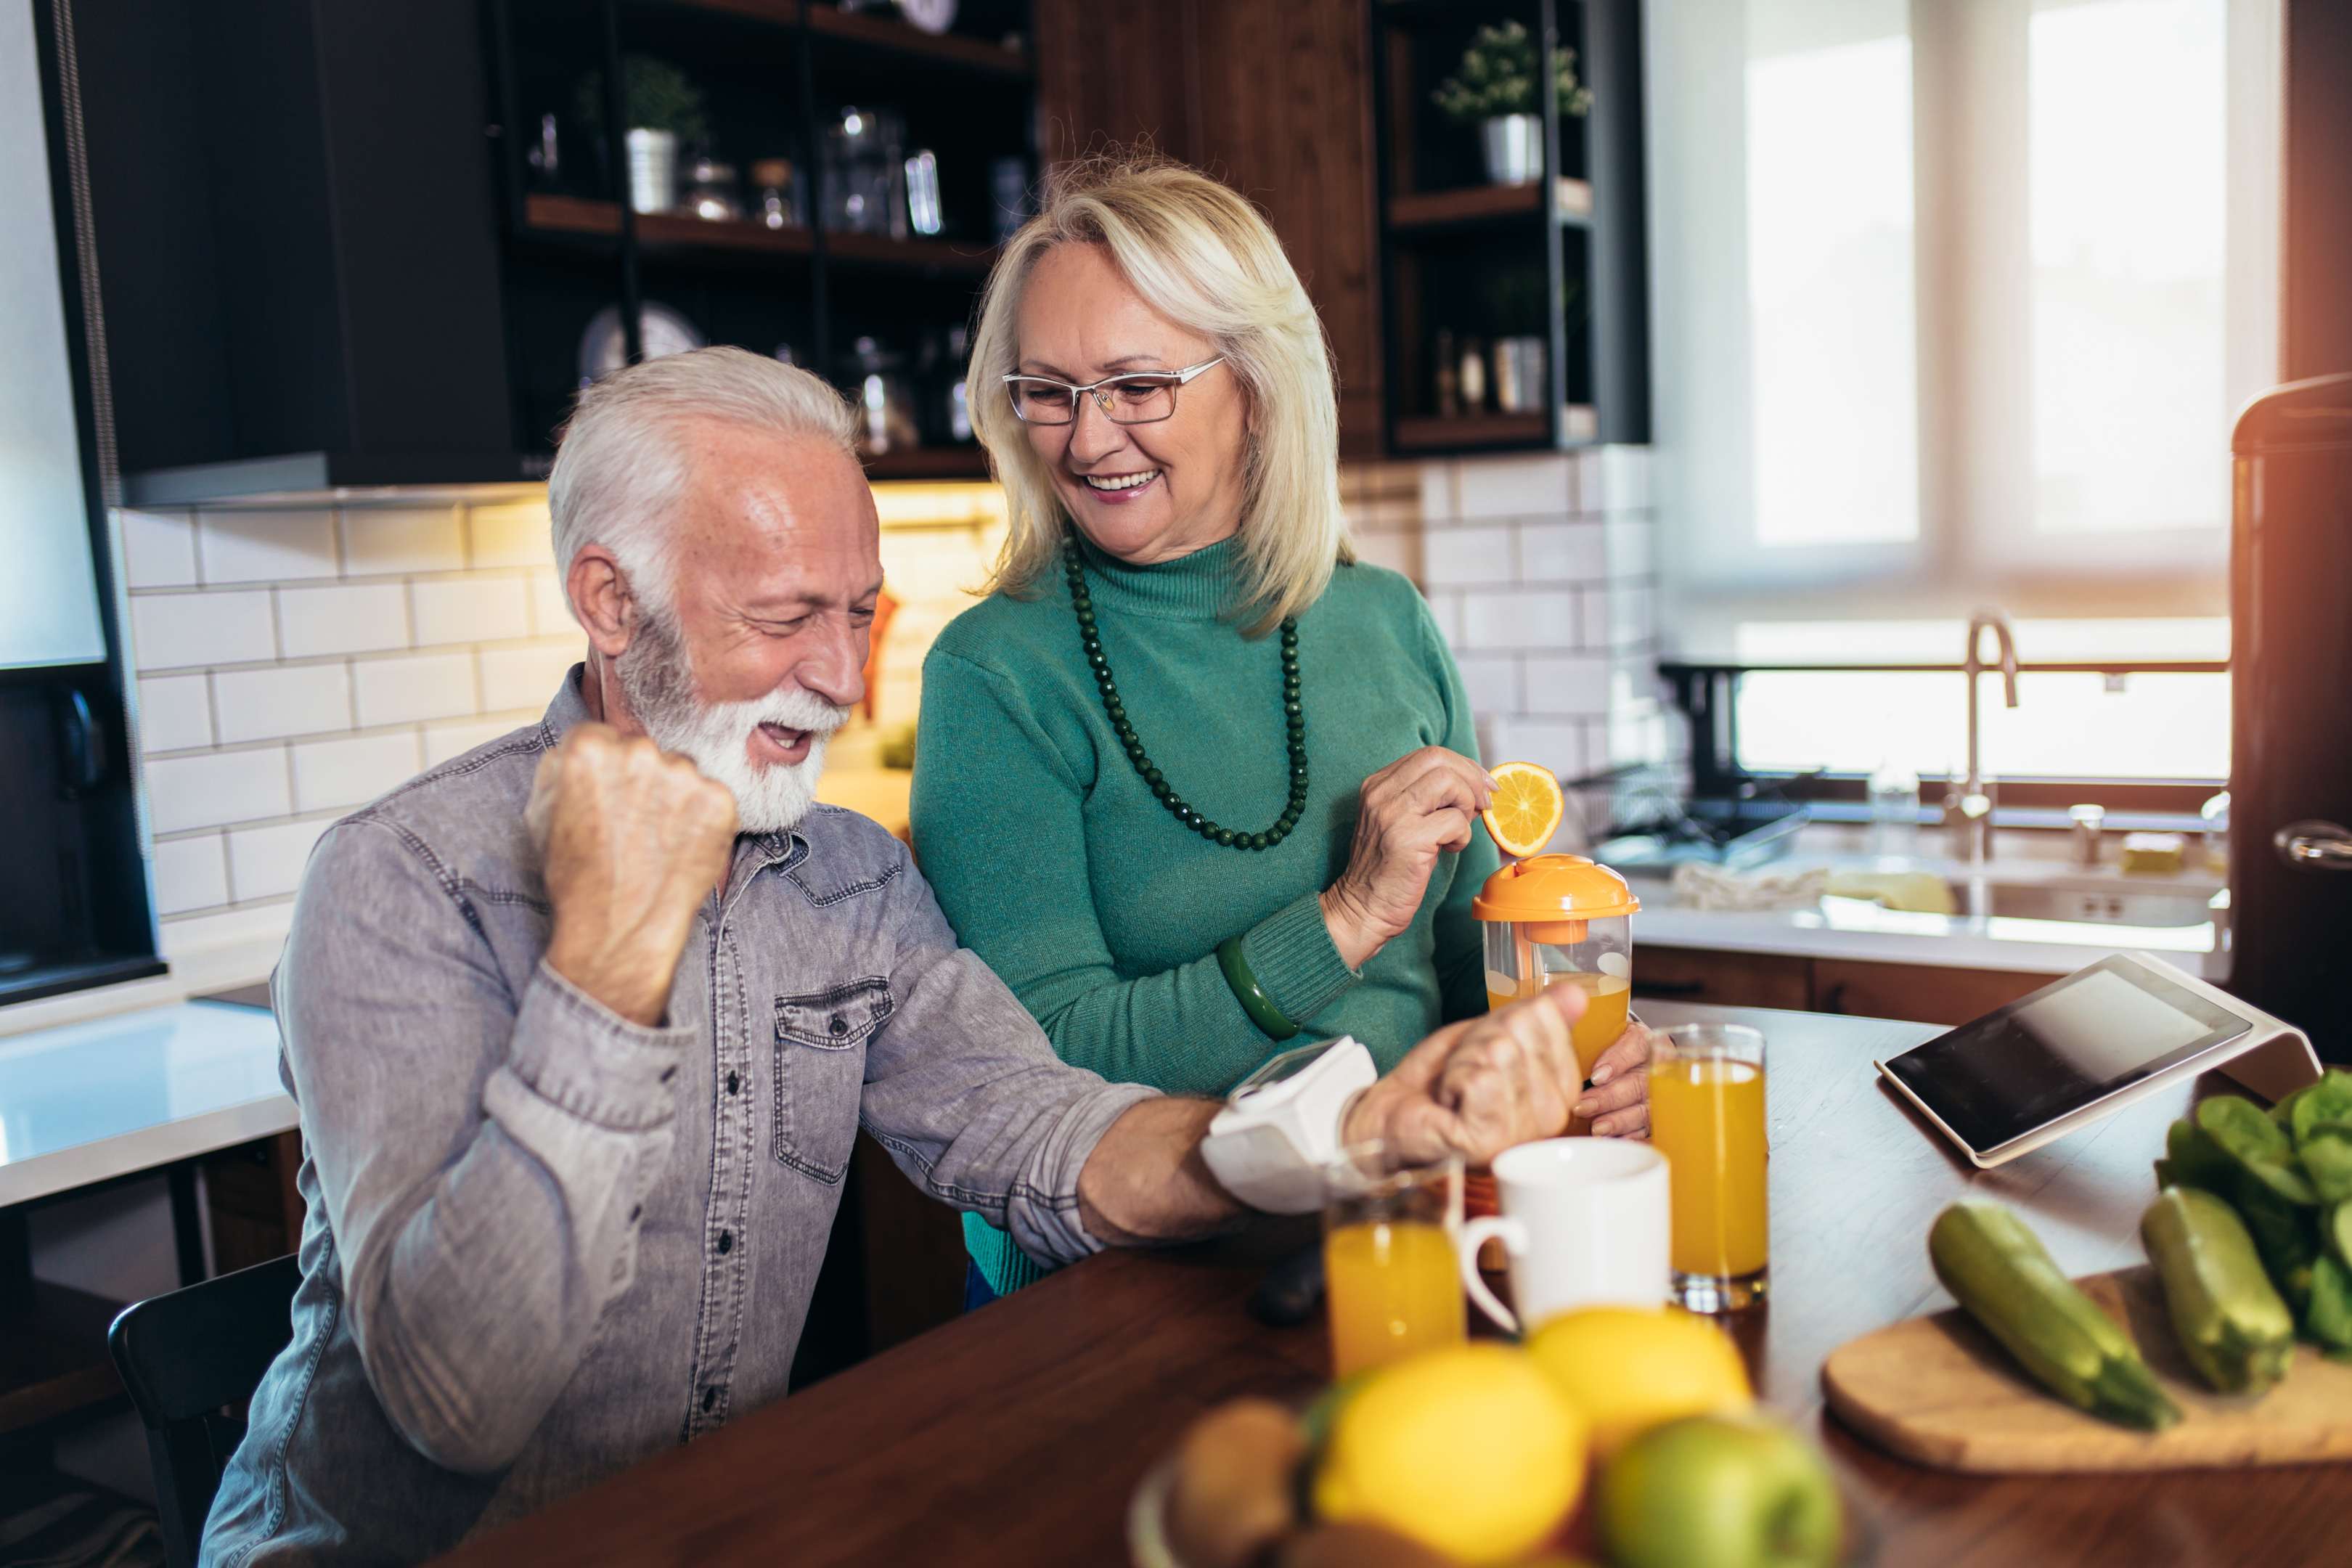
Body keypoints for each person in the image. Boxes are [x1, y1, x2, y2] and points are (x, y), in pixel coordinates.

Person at [199, 348, 1593, 1565]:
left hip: (715, 1526)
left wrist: (1349, 1130)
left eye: (861, 612)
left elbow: (1043, 1135)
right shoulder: (401, 881)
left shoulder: (846, 874)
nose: (844, 678)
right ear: (612, 605)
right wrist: (605, 977)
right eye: (785, 616)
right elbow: (461, 1402)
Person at [910, 157, 1651, 1301]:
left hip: (1420, 1224)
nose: (1088, 437)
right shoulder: (995, 674)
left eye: (1138, 384)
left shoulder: (1380, 617)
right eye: (1047, 391)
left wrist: (1578, 1051)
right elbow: (1037, 1070)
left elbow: (1473, 956)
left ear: (1256, 381)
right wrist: (1344, 921)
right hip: (1134, 1278)